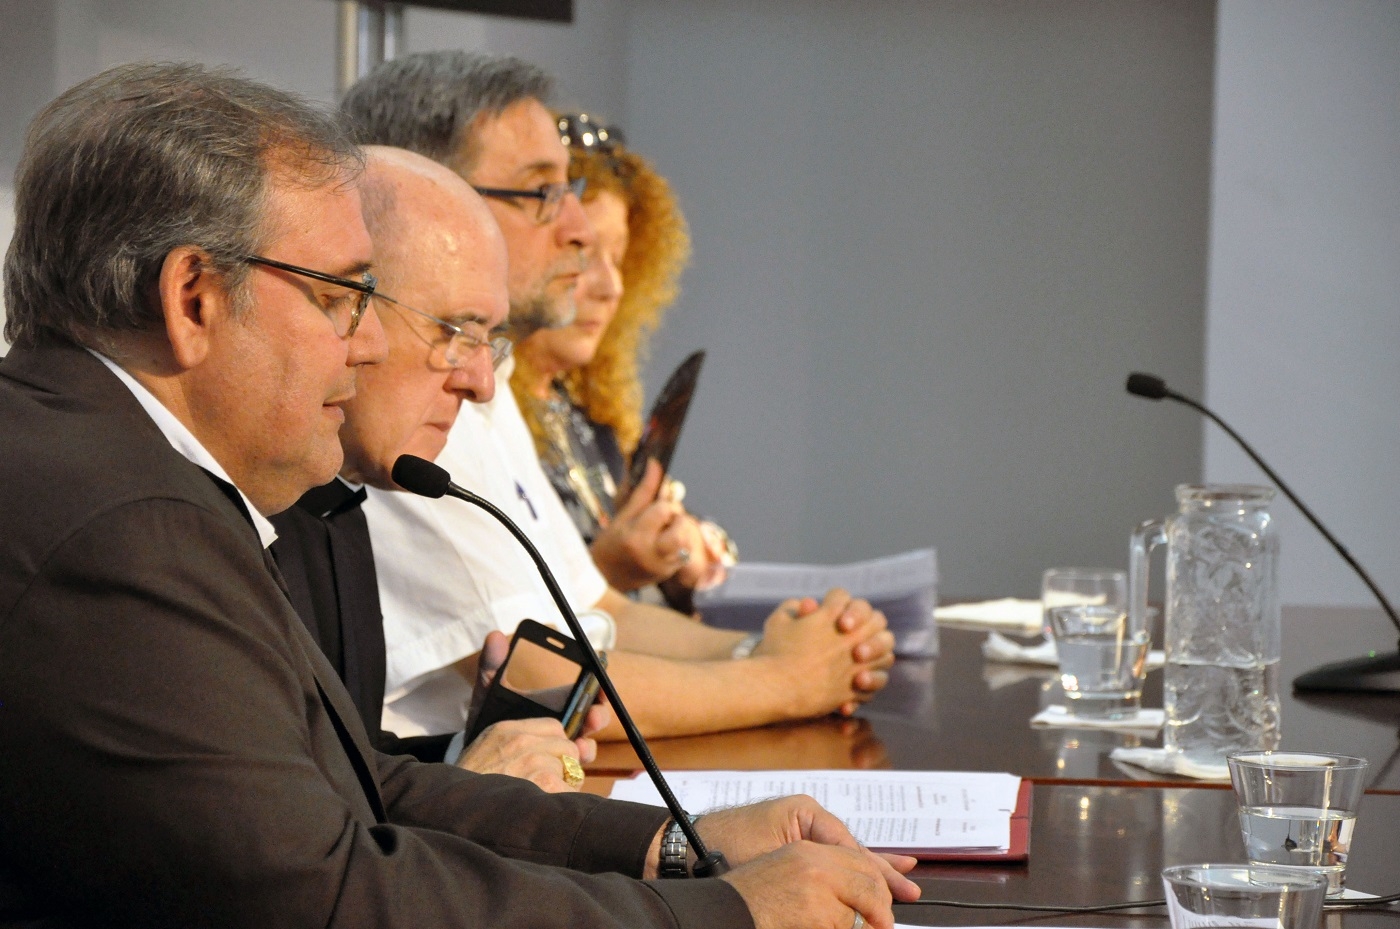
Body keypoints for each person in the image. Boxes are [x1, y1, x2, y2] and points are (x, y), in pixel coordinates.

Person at [0, 61, 918, 929]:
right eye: (339, 298)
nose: (363, 348)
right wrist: (729, 910)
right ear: (194, 298)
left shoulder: (117, 465)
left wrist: (677, 847)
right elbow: (332, 898)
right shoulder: (125, 527)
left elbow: (357, 787)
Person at [341, 51, 896, 744]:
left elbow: (596, 607)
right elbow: (538, 674)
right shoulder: (398, 401)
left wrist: (786, 649)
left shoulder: (485, 381)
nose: (575, 228)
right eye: (541, 192)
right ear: (432, 199)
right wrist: (789, 678)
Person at [270, 145, 607, 792]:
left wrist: (466, 752)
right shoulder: (242, 505)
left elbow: (349, 768)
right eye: (455, 330)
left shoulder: (333, 501)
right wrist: (472, 787)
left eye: (489, 339)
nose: (482, 382)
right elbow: (284, 846)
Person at [510, 116, 735, 613]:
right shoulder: (473, 417)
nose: (611, 288)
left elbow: (675, 542)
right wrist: (606, 572)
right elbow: (501, 624)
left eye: (620, 259)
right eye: (586, 256)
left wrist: (687, 550)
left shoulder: (589, 417)